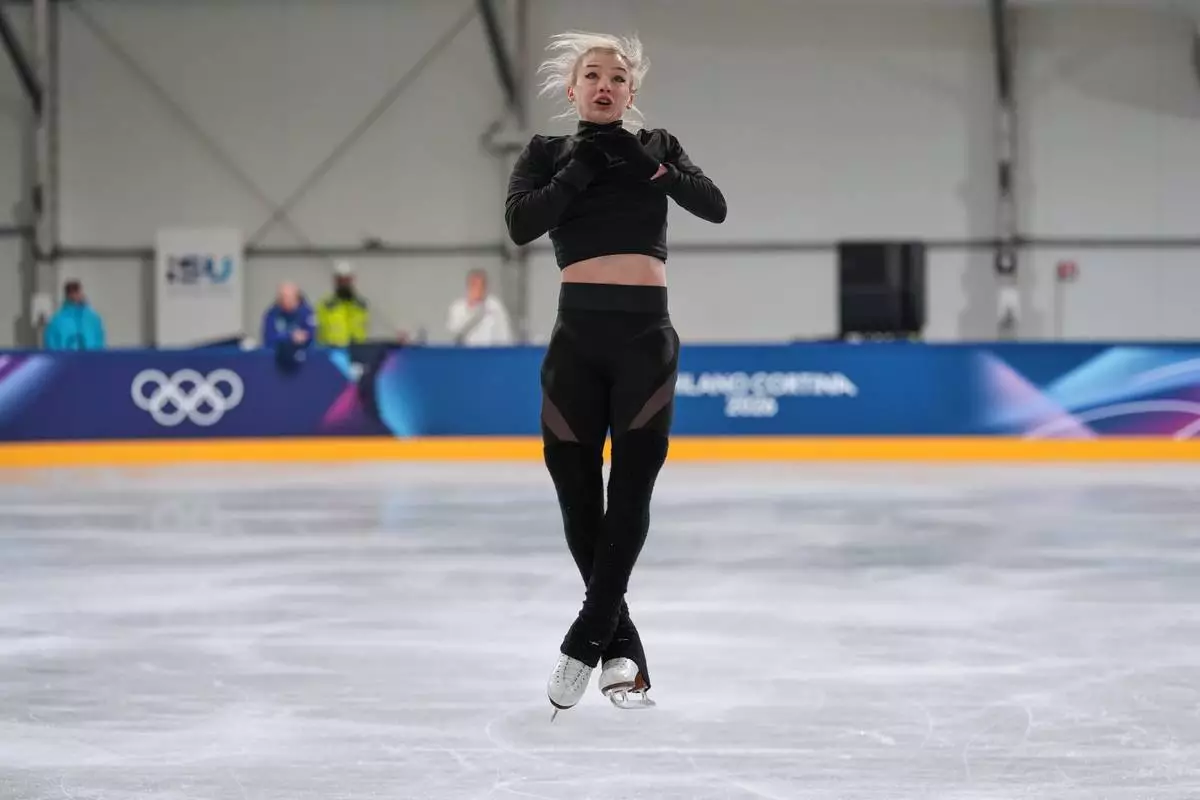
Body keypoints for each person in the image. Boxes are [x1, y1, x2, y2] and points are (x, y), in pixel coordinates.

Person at [505, 30, 726, 716]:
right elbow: (520, 224)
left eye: (618, 78)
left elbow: (713, 205)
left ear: (632, 93)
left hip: (644, 338)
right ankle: (619, 641)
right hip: (576, 338)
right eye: (592, 75)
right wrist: (576, 169)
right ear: (572, 90)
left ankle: (583, 645)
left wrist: (645, 163)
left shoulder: (656, 145)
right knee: (578, 497)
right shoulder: (544, 153)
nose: (605, 85)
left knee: (630, 493)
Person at [446, 268, 514, 346]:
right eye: (474, 285)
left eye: (482, 286)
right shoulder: (458, 308)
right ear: (468, 287)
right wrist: (472, 309)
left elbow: (505, 336)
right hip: (466, 354)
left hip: (490, 354)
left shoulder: (494, 306)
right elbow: (454, 333)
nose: (479, 290)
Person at [260, 281, 316, 368]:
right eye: (282, 296)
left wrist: (299, 340)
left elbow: (311, 336)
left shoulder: (307, 313)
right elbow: (268, 339)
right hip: (277, 362)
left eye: (288, 297)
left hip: (304, 363)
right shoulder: (272, 314)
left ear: (296, 297)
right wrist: (290, 337)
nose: (285, 300)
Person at [316, 261, 370, 347]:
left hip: (357, 349)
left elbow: (365, 328)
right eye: (341, 280)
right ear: (335, 281)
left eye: (347, 280)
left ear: (353, 280)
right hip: (332, 349)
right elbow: (319, 330)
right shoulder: (326, 304)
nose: (344, 284)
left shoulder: (361, 305)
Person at [44, 280, 106, 351]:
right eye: (72, 292)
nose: (75, 295)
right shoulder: (56, 321)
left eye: (76, 292)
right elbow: (51, 346)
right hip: (67, 360)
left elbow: (99, 343)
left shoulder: (93, 319)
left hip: (88, 360)